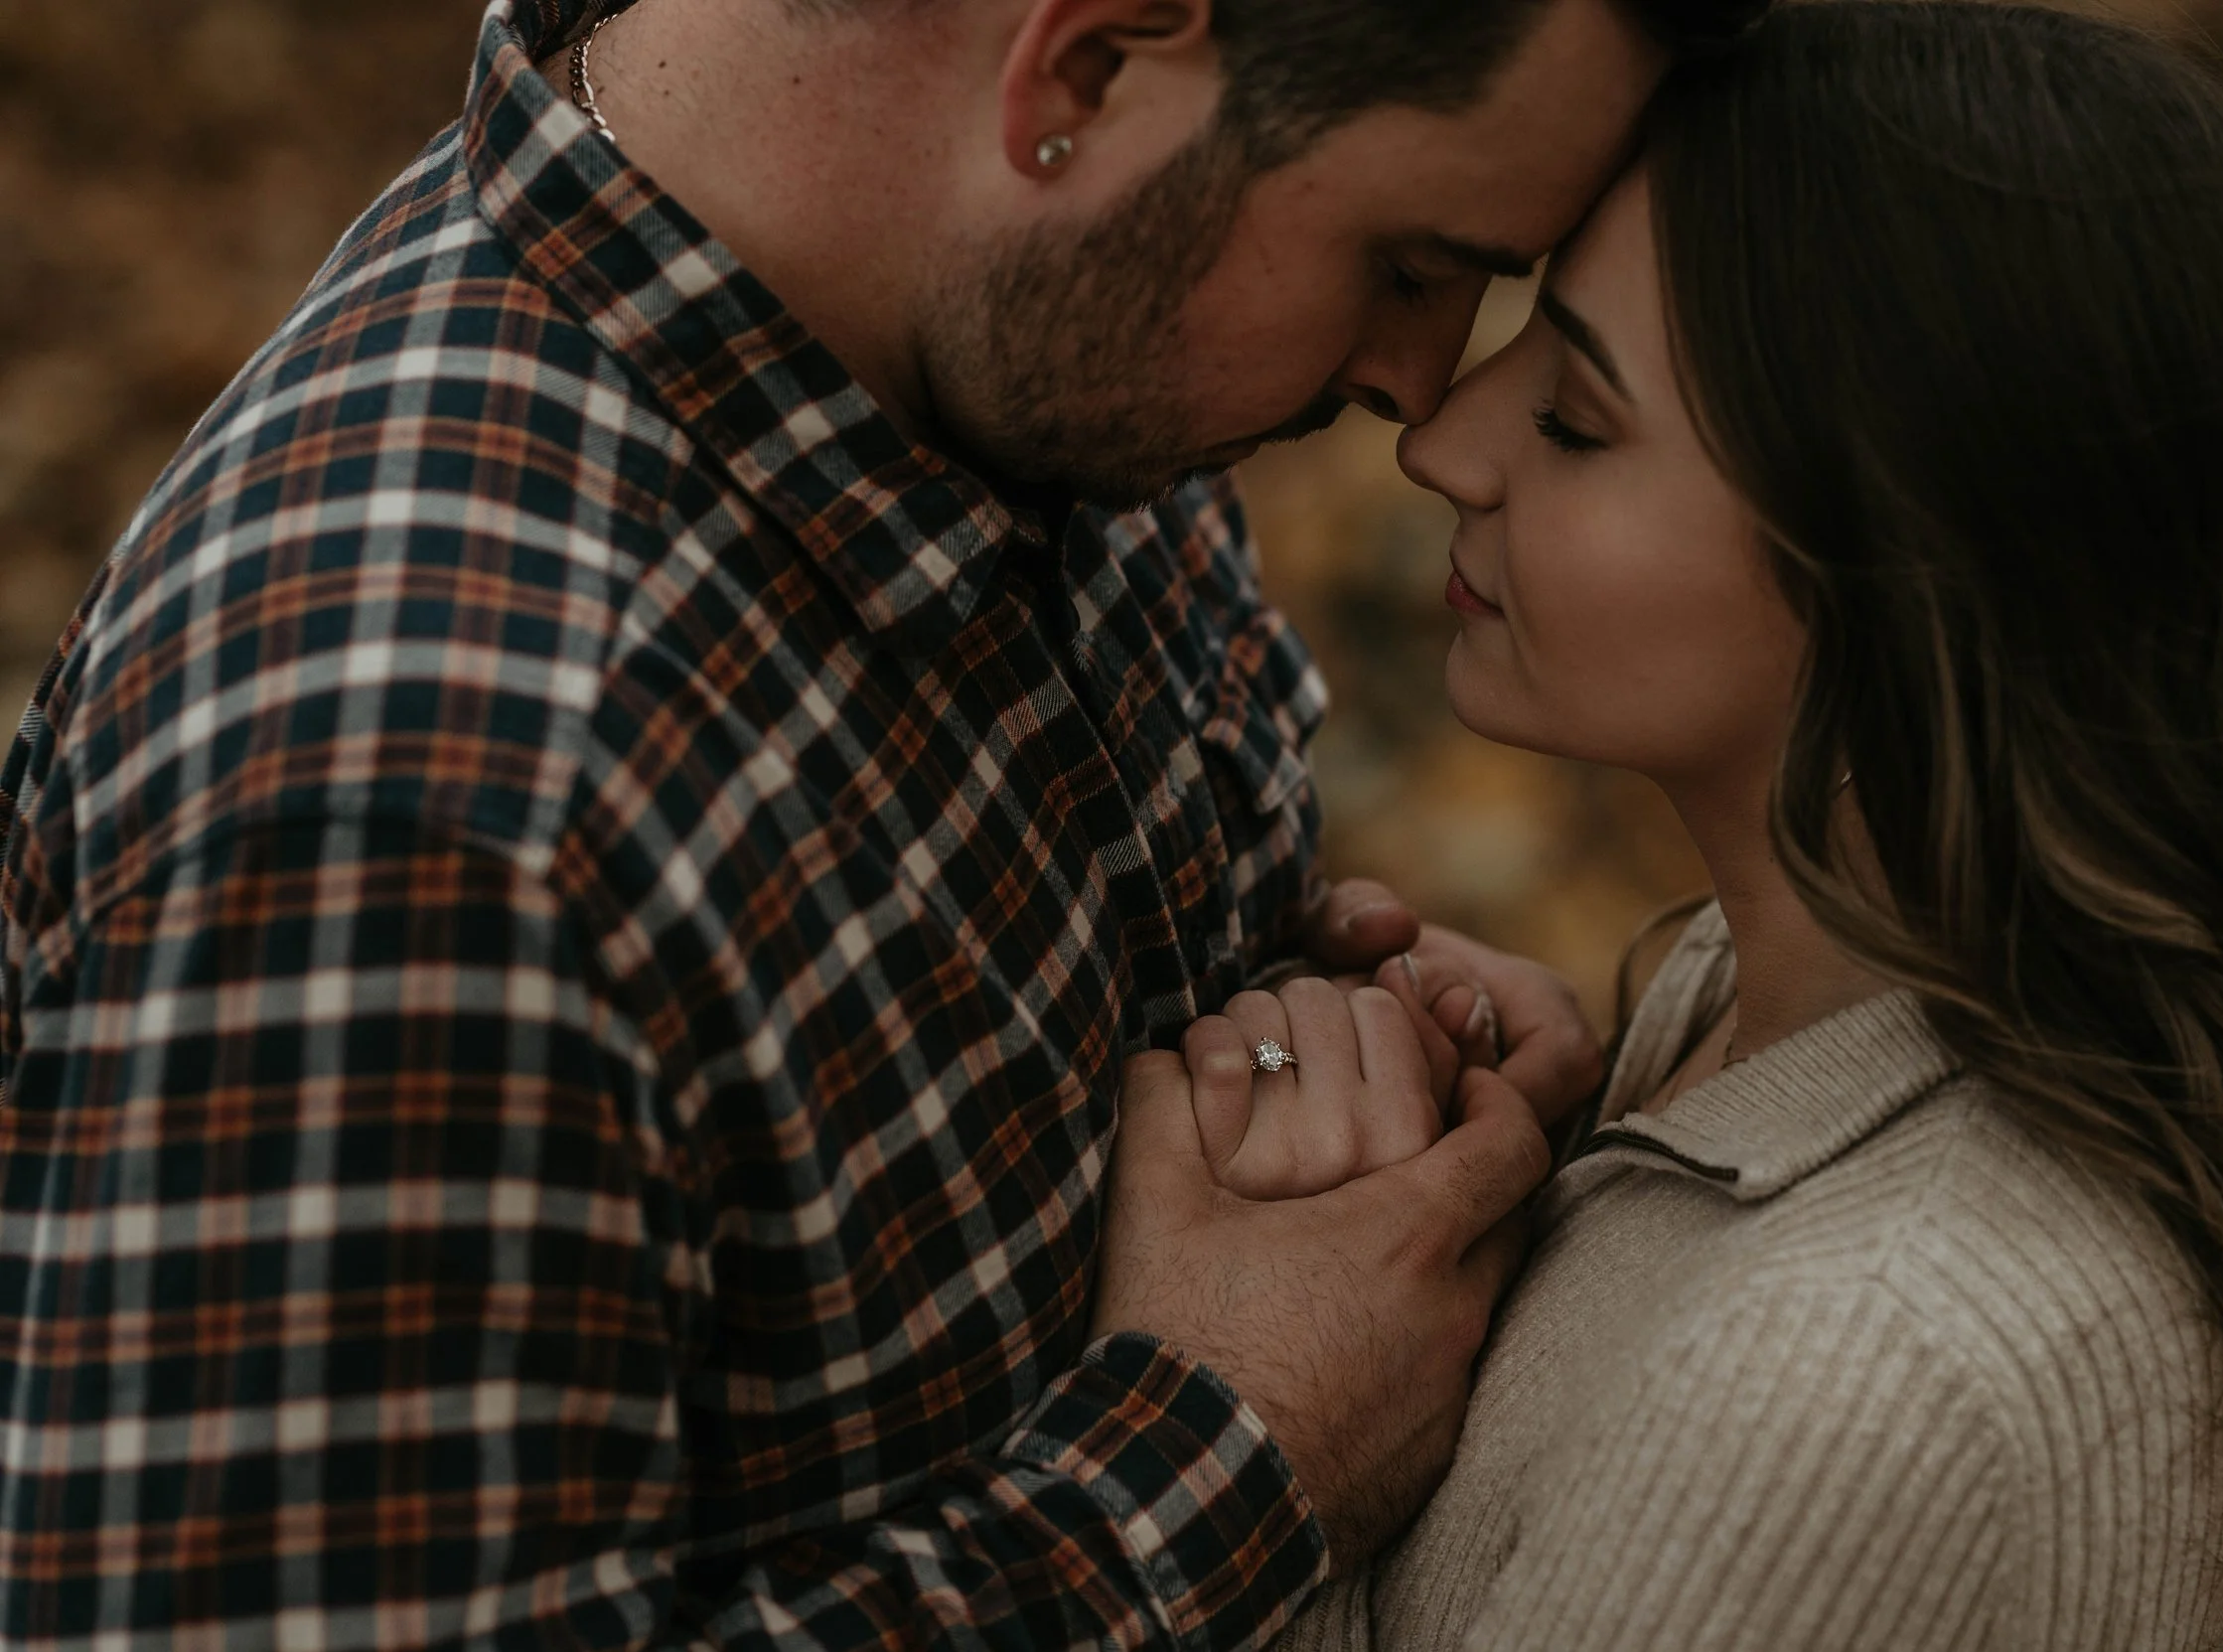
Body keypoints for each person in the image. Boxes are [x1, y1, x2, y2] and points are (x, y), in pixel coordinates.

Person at [0, 0, 1767, 1647]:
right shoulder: (431, 834)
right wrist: (1228, 1451)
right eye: (1410, 265)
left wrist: (1368, 1080)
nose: (1417, 386)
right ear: (1077, 69)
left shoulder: (1008, 338)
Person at [1130, 5, 2223, 1647]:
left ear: (1916, 595)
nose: (1444, 440)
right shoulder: (1795, 1002)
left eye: (1576, 421)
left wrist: (1212, 1431)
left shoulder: (1854, 1379)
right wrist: (1487, 1161)